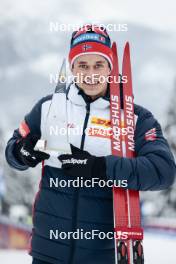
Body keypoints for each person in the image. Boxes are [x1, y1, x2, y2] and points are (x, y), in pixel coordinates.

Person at [5, 24, 176, 264]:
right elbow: (13, 149)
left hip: (103, 255)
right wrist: (21, 153)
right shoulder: (48, 107)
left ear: (110, 67)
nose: (91, 74)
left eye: (99, 65)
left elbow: (164, 171)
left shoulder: (136, 118)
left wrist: (100, 167)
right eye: (83, 65)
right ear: (73, 68)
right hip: (47, 253)